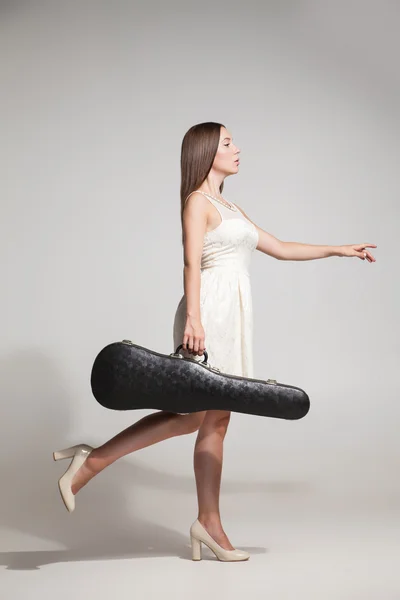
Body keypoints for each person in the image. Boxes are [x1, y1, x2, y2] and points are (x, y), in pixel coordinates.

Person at [53, 121, 377, 562]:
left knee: (213, 419)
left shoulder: (231, 206)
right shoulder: (197, 202)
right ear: (208, 151)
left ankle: (206, 522)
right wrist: (194, 319)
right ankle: (93, 465)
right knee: (197, 415)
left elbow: (279, 247)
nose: (237, 148)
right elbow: (190, 263)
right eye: (228, 142)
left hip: (232, 315)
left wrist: (339, 249)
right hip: (208, 312)